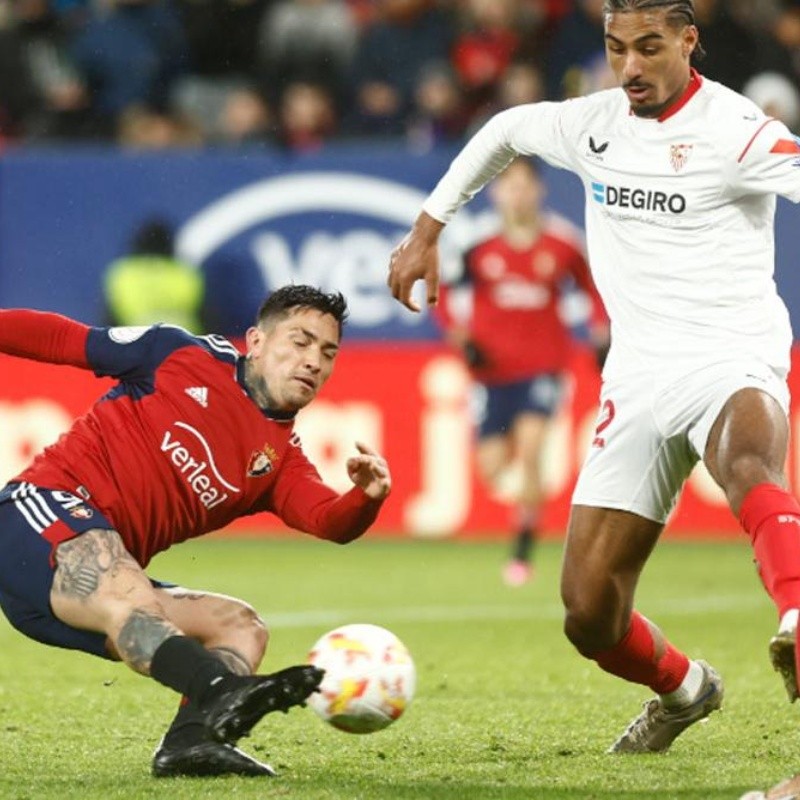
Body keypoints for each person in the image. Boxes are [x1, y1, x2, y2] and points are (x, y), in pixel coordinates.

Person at [388, 0, 800, 754]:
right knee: (588, 612)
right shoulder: (593, 124)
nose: (631, 68)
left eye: (649, 48)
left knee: (748, 461)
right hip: (637, 375)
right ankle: (683, 689)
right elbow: (506, 130)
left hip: (729, 352)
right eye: (616, 49)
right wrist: (429, 226)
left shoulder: (737, 131)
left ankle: (796, 619)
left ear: (688, 40)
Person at [0, 285, 392, 776]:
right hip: (34, 522)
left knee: (240, 626)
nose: (314, 360)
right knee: (128, 590)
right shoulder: (178, 354)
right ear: (256, 340)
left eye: (327, 352)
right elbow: (64, 339)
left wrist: (367, 497)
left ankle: (190, 743)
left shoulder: (278, 462)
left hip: (98, 592)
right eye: (301, 341)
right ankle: (218, 689)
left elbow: (330, 522)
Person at [435, 157, 607, 586]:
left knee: (531, 450)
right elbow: (440, 290)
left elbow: (595, 286)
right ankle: (524, 513)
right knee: (491, 469)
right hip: (491, 373)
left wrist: (600, 333)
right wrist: (460, 338)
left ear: (538, 191)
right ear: (496, 194)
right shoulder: (477, 245)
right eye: (508, 186)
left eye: (524, 185)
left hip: (544, 367)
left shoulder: (563, 243)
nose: (517, 194)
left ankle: (523, 547)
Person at [103, 218, 206, 331]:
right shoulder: (183, 272)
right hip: (183, 341)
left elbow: (109, 322)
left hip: (139, 343)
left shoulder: (123, 274)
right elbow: (206, 316)